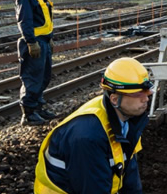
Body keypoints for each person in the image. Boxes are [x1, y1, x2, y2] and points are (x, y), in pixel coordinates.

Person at [34, 58, 153, 194]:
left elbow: (130, 178)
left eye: (147, 92)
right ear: (114, 99)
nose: (146, 99)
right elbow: (93, 188)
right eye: (138, 94)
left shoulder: (127, 119)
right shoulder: (88, 137)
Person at [17, 0, 58, 125]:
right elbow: (24, 21)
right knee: (32, 77)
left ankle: (38, 107)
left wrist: (50, 38)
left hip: (44, 41)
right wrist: (31, 42)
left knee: (44, 77)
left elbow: (45, 20)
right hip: (33, 43)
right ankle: (28, 113)